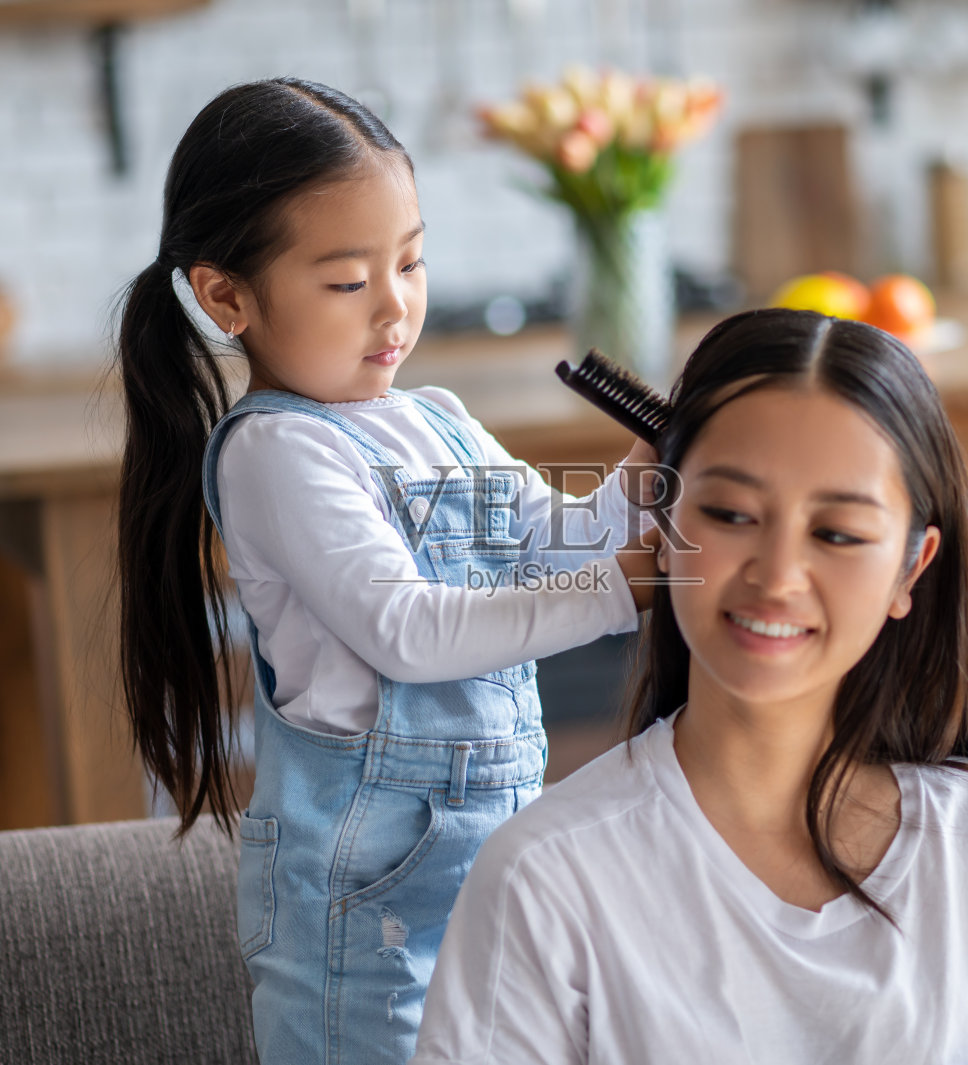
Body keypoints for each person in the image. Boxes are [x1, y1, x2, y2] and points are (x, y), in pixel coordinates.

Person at [410, 308, 968, 1065]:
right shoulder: (544, 879)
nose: (776, 576)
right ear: (665, 526)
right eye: (731, 514)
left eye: (835, 533)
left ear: (910, 568)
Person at [113, 78, 659, 1065]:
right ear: (226, 296)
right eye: (345, 282)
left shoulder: (437, 419)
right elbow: (408, 632)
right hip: (363, 915)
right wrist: (614, 591)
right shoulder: (276, 451)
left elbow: (560, 538)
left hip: (492, 875)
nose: (395, 305)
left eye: (409, 262)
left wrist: (646, 472)